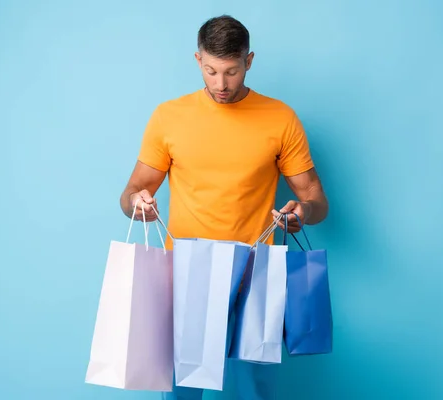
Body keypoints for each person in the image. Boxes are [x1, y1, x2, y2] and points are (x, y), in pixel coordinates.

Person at [119, 14, 328, 400]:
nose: (221, 85)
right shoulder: (169, 117)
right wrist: (139, 204)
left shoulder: (281, 118)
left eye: (231, 71)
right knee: (183, 390)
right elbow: (132, 192)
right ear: (197, 60)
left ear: (249, 61)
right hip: (189, 270)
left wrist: (301, 213)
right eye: (211, 71)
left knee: (255, 389)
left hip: (256, 272)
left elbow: (316, 200)